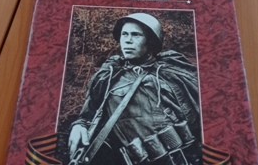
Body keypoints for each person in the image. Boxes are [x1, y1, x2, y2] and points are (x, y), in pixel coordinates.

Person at [68, 13, 201, 165]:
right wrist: (79, 126)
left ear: (150, 41)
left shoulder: (172, 73)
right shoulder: (108, 76)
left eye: (136, 35)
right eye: (124, 34)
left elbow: (200, 117)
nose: (128, 40)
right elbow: (89, 114)